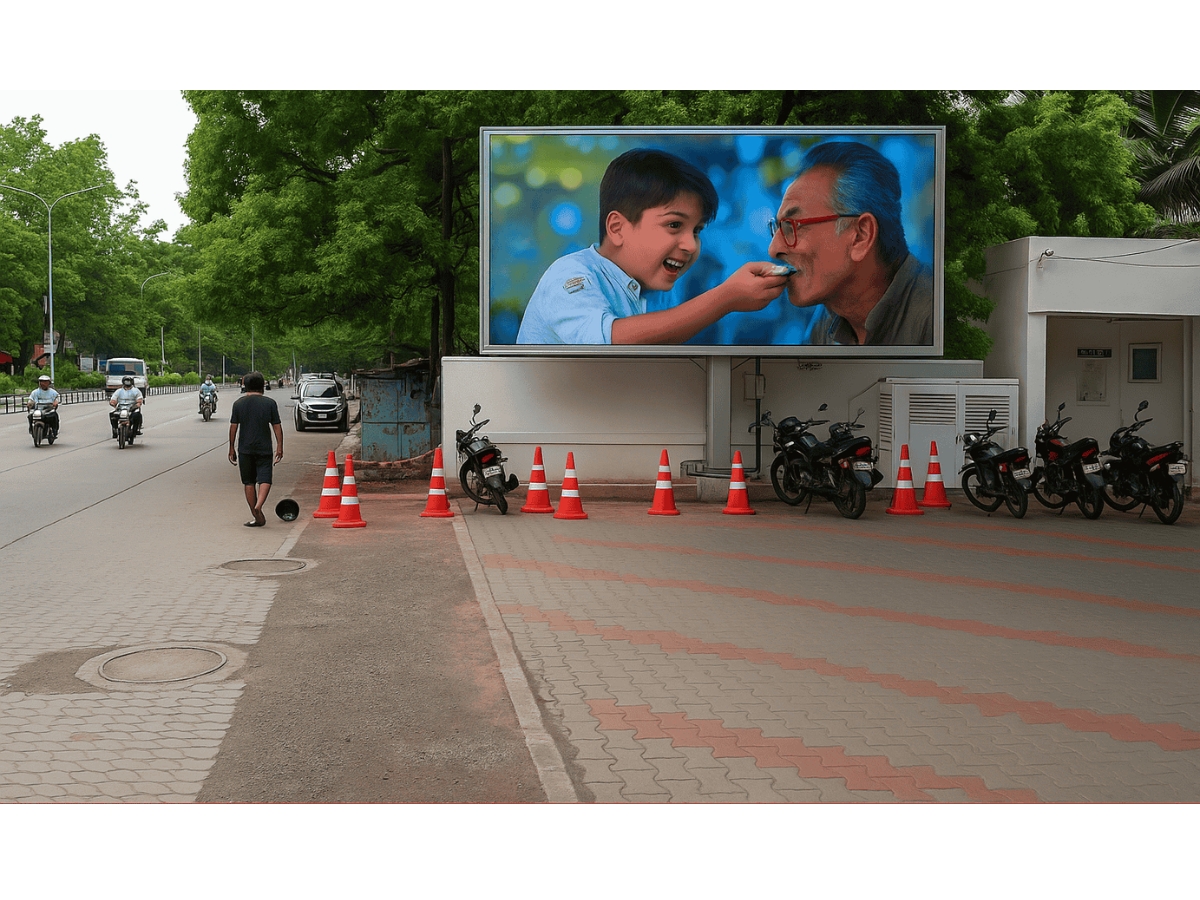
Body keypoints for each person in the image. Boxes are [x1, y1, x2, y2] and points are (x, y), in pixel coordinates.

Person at [517, 148, 787, 345]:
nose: (691, 245)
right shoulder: (570, 274)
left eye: (697, 231)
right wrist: (725, 298)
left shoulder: (655, 291)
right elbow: (610, 342)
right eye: (674, 226)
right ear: (617, 228)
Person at [767, 141, 934, 347]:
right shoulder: (826, 322)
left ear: (860, 236)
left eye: (794, 226)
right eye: (778, 228)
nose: (774, 249)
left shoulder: (938, 317)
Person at [228, 371, 283, 527]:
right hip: (264, 447)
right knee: (265, 478)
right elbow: (277, 426)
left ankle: (255, 513)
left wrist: (231, 447)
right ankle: (259, 505)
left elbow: (233, 427)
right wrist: (280, 446)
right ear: (262, 385)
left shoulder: (238, 404)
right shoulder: (269, 403)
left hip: (245, 448)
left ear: (245, 386)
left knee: (249, 481)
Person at [27, 373, 61, 438]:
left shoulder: (53, 392)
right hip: (37, 410)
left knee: (54, 416)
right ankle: (31, 429)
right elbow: (31, 399)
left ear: (49, 383)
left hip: (48, 410)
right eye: (41, 381)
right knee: (30, 416)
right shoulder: (35, 392)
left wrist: (55, 402)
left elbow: (57, 398)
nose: (43, 383)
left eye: (45, 382)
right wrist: (29, 404)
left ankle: (54, 431)